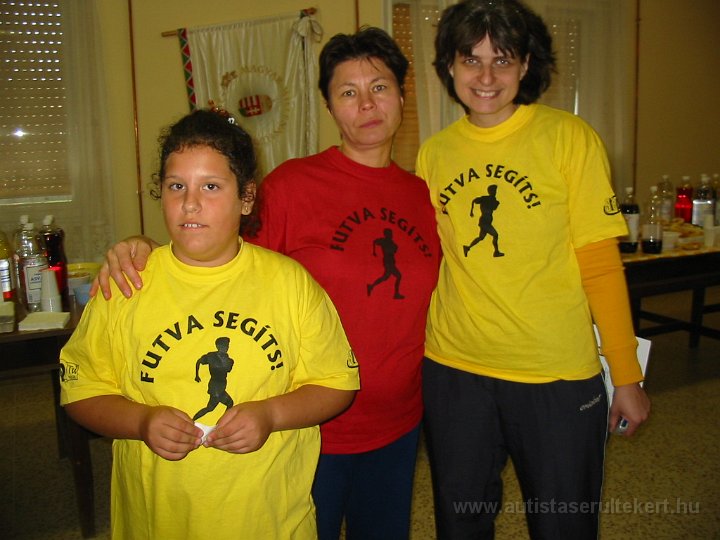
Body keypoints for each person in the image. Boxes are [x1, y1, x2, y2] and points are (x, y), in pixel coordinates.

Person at [93, 28, 441, 540]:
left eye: (380, 87)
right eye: (348, 91)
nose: (366, 103)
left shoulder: (422, 196)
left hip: (399, 421)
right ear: (329, 105)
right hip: (304, 427)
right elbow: (215, 256)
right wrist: (143, 247)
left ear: (402, 97)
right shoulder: (292, 186)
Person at [60, 109, 359, 539]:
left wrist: (271, 414)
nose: (190, 203)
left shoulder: (289, 283)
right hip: (158, 520)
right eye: (176, 186)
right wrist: (141, 422)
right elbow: (81, 390)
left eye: (211, 186)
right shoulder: (127, 284)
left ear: (247, 197)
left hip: (269, 521)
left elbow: (337, 383)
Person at [415, 1, 650, 538]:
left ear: (525, 64)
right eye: (471, 60)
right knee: (461, 521)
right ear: (449, 66)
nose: (486, 77)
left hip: (555, 375)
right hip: (455, 370)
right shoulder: (435, 154)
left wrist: (626, 375)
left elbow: (600, 266)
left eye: (502, 59)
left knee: (563, 524)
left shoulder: (569, 138)